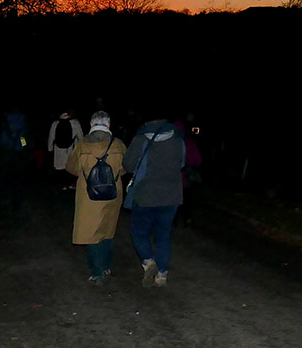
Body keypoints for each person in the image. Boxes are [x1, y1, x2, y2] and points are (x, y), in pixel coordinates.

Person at [65, 111, 126, 286]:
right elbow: (125, 167)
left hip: (88, 194)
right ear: (108, 125)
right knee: (107, 230)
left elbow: (71, 167)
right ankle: (106, 266)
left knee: (91, 232)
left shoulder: (82, 145)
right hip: (113, 193)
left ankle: (96, 272)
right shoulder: (118, 144)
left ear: (91, 125)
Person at [123, 116, 185, 287]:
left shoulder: (141, 137)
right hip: (171, 196)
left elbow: (128, 165)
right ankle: (162, 275)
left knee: (139, 232)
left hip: (145, 194)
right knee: (163, 235)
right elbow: (182, 162)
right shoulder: (178, 137)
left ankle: (149, 261)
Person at [173, 114, 202, 227]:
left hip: (173, 178)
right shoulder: (189, 142)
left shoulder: (169, 143)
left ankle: (173, 220)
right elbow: (198, 160)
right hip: (185, 178)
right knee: (187, 199)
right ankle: (187, 218)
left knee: (174, 199)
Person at [47, 111, 83, 189]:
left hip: (58, 149)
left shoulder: (55, 123)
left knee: (61, 167)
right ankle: (72, 183)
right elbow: (80, 137)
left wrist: (50, 149)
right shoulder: (75, 123)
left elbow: (51, 137)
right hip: (71, 148)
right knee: (71, 166)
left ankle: (64, 184)